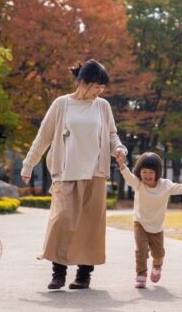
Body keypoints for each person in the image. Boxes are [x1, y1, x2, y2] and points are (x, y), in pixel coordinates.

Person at [21, 59, 127, 290]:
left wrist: (118, 149)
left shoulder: (102, 106)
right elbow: (44, 137)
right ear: (83, 82)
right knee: (62, 221)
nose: (99, 92)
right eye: (96, 87)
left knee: (90, 226)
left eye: (102, 88)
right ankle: (58, 272)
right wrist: (28, 165)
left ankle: (84, 274)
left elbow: (111, 135)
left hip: (95, 174)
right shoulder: (62, 104)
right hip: (66, 172)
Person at [117, 152, 182, 288]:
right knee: (141, 250)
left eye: (151, 172)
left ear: (157, 172)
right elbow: (129, 177)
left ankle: (157, 266)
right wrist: (122, 165)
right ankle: (141, 274)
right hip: (140, 223)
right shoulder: (139, 184)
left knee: (158, 254)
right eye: (144, 172)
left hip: (157, 227)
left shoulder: (165, 185)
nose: (147, 175)